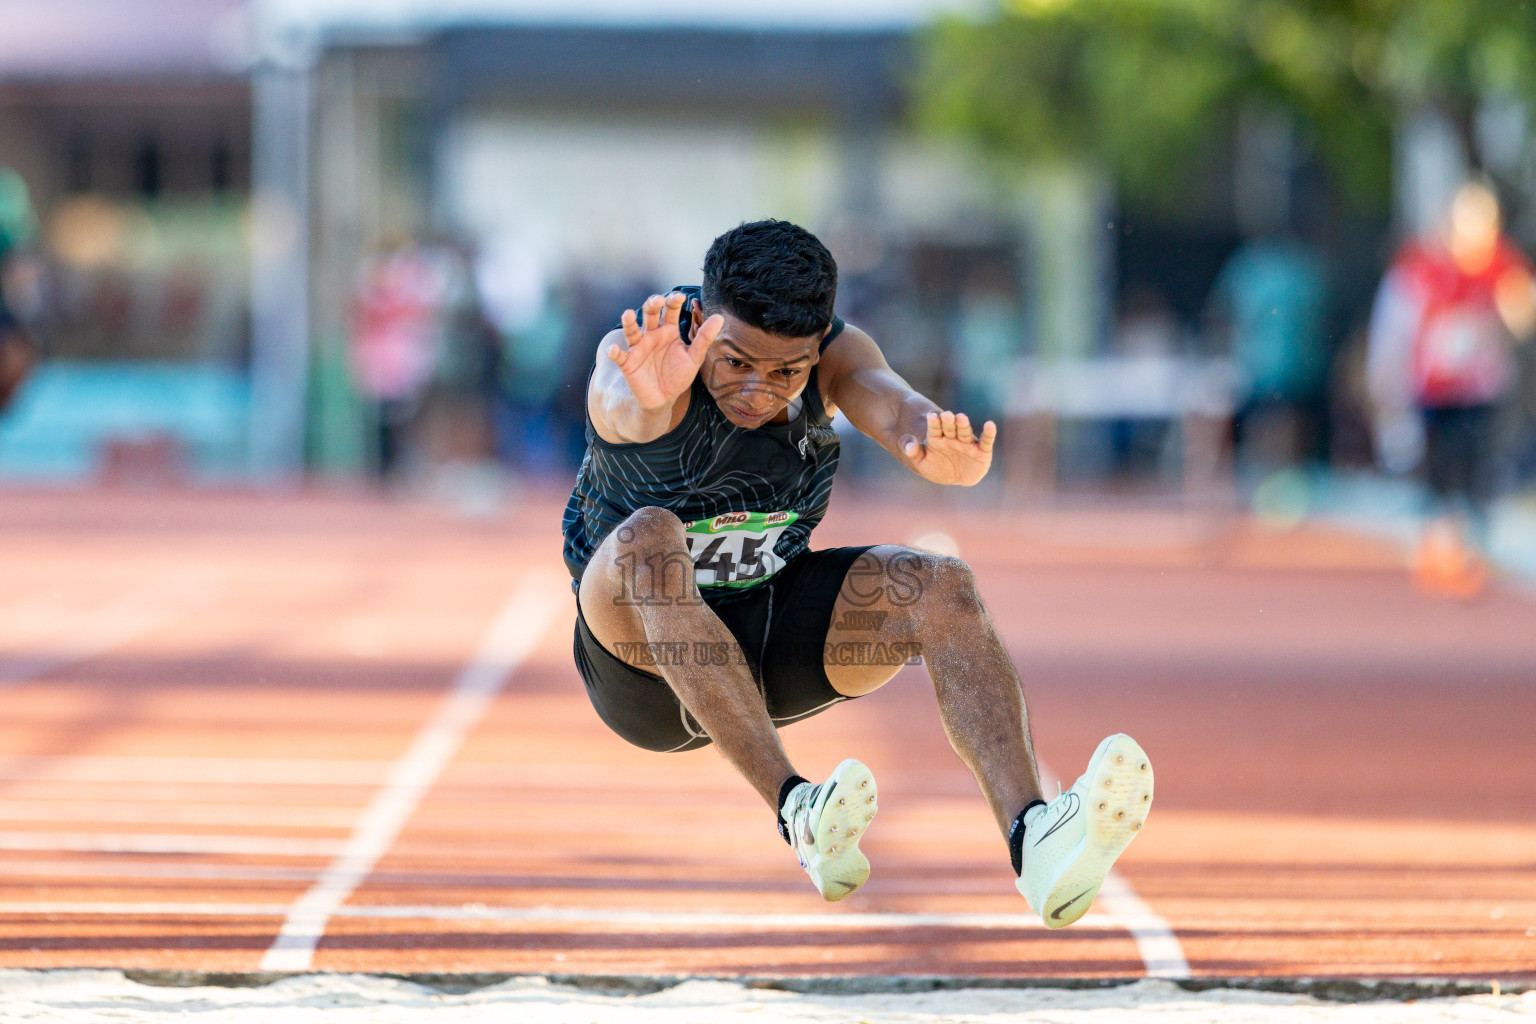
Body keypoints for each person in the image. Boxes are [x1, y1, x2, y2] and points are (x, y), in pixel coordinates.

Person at [562, 220, 1152, 925]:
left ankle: (1036, 840)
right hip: (643, 673)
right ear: (705, 321)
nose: (756, 391)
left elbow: (891, 402)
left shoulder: (838, 358)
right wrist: (649, 401)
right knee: (650, 536)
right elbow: (620, 406)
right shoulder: (645, 353)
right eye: (734, 361)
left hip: (771, 636)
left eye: (786, 373)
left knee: (939, 585)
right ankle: (798, 810)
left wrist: (927, 438)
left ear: (816, 349)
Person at [1366, 182, 1536, 597]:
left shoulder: (1502, 267)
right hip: (1433, 390)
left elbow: (1522, 317)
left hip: (1481, 390)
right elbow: (1394, 327)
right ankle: (1438, 548)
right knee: (1439, 468)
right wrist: (1385, 383)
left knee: (1476, 465)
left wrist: (1512, 310)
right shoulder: (1421, 267)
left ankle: (1473, 548)